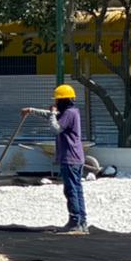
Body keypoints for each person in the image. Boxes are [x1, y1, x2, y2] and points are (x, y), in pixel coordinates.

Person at [23, 84, 87, 233]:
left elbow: (55, 128)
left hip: (70, 158)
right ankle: (82, 222)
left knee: (71, 190)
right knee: (77, 189)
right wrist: (32, 111)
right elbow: (50, 115)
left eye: (57, 100)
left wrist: (52, 113)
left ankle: (75, 222)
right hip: (76, 158)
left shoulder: (69, 113)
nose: (55, 103)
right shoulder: (71, 112)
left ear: (63, 100)